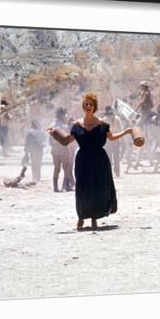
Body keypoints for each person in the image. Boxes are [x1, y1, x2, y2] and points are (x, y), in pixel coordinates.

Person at [47, 92, 133, 230]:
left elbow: (111, 138)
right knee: (82, 188)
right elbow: (67, 140)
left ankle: (94, 218)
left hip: (99, 160)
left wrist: (127, 131)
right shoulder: (77, 125)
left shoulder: (102, 125)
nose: (88, 106)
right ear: (83, 106)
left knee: (97, 188)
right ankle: (81, 217)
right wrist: (55, 133)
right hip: (83, 160)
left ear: (94, 107)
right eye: (86, 104)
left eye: (90, 104)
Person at [49, 108, 73, 192]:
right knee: (66, 167)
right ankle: (67, 186)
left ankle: (55, 187)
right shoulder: (65, 126)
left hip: (54, 149)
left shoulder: (51, 125)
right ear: (62, 115)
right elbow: (68, 139)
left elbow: (50, 140)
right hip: (63, 149)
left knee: (56, 168)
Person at [101, 105, 123, 176]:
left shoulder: (104, 120)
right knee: (116, 156)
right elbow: (121, 130)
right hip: (116, 139)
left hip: (108, 140)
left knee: (109, 157)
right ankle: (117, 171)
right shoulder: (117, 118)